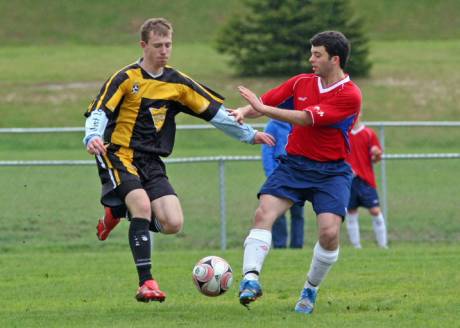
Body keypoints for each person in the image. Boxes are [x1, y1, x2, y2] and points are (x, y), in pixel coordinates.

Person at [83, 17, 275, 304]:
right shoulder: (125, 78)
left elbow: (214, 111)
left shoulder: (178, 83)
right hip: (117, 153)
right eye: (158, 45)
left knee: (172, 222)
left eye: (168, 44)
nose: (164, 51)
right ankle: (146, 282)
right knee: (142, 206)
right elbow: (100, 111)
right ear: (143, 45)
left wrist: (249, 135)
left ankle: (118, 213)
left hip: (152, 161)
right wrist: (92, 137)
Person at [230, 31, 362, 314]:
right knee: (263, 213)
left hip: (332, 172)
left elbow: (305, 118)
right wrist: (243, 111)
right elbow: (266, 100)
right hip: (295, 164)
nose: (310, 59)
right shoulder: (301, 82)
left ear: (334, 59)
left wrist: (263, 108)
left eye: (317, 54)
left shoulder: (350, 94)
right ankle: (250, 279)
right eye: (311, 53)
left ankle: (310, 289)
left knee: (328, 234)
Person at [262, 119, 305, 248]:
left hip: (297, 176)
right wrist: (271, 174)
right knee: (277, 214)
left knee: (298, 213)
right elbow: (267, 151)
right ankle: (280, 246)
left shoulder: (300, 122)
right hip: (279, 177)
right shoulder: (273, 125)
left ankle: (297, 246)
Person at [345, 117, 388, 249]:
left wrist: (376, 153)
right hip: (349, 180)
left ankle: (383, 246)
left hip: (366, 180)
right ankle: (357, 247)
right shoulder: (344, 133)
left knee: (375, 211)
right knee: (351, 212)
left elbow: (376, 158)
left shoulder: (369, 133)